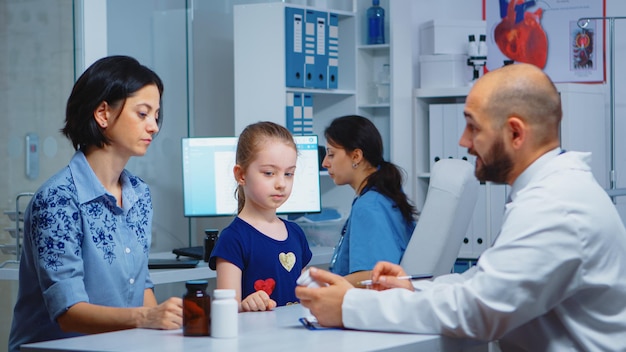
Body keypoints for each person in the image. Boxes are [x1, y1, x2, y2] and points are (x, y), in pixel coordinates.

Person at [295, 63, 626, 351]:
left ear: (515, 133)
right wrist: (413, 287)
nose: (463, 142)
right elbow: (485, 281)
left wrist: (351, 306)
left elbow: (479, 309)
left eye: (473, 127)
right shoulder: (548, 193)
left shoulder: (555, 206)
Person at [8, 56, 183, 352]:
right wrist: (147, 317)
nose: (153, 126)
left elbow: (142, 287)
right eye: (142, 114)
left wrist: (164, 331)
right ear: (103, 114)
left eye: (156, 115)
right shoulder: (58, 199)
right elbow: (69, 313)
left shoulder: (139, 194)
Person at [209, 121, 312, 312]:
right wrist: (244, 306)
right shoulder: (233, 239)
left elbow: (305, 296)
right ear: (241, 175)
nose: (281, 183)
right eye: (269, 173)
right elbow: (226, 310)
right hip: (256, 340)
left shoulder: (296, 233)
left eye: (289, 174)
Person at [322, 115, 417, 286]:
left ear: (356, 156)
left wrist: (326, 286)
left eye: (331, 154)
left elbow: (371, 277)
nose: (324, 163)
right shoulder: (384, 195)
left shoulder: (369, 206)